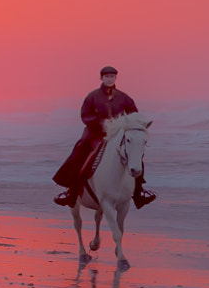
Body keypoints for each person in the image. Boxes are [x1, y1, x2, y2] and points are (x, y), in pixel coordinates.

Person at [53, 66, 156, 208]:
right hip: (95, 135)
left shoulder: (124, 97)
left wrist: (128, 124)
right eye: (107, 76)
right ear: (101, 78)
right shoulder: (92, 96)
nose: (109, 79)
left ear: (115, 78)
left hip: (117, 136)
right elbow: (85, 115)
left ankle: (139, 192)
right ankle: (72, 191)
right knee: (80, 153)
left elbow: (134, 115)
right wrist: (101, 123)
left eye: (112, 76)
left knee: (135, 155)